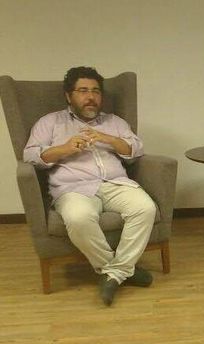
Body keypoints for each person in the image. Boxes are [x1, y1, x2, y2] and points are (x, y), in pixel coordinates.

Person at [23, 66, 157, 306]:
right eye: (83, 91)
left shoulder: (114, 122)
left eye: (95, 91)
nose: (90, 96)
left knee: (146, 208)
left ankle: (115, 273)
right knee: (78, 218)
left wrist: (109, 139)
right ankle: (121, 270)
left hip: (116, 183)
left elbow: (136, 150)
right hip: (73, 188)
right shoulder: (50, 122)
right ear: (69, 96)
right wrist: (64, 148)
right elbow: (30, 155)